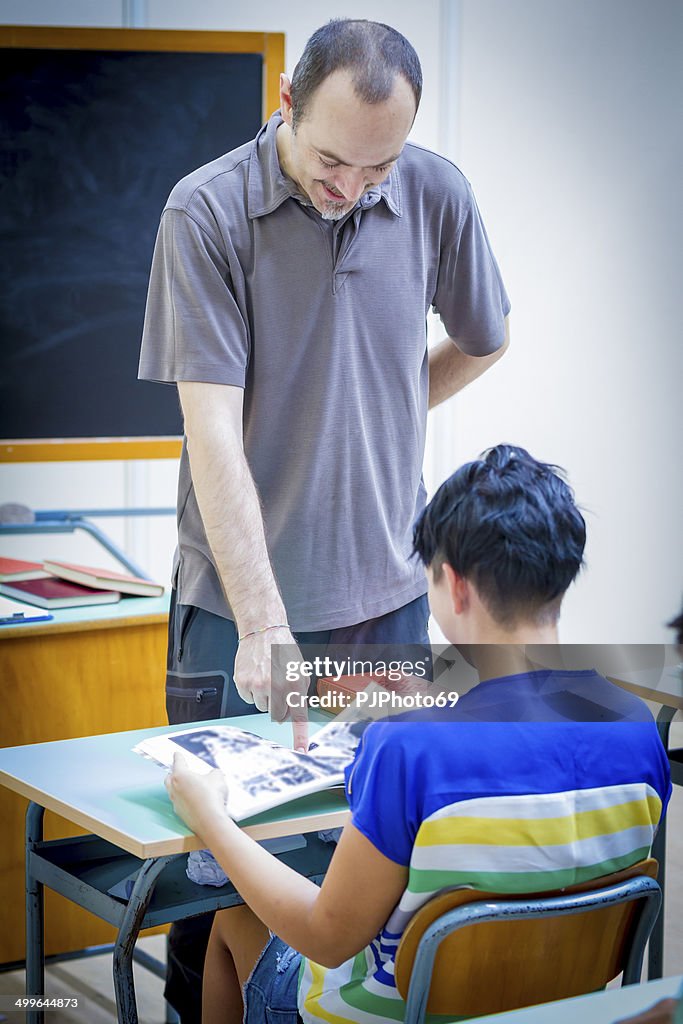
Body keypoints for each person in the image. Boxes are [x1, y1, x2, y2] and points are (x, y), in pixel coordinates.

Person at [139, 19, 509, 1016]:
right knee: (211, 883)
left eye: (377, 165)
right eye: (332, 159)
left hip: (385, 609)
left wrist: (386, 406)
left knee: (368, 870)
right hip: (235, 619)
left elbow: (483, 339)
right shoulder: (207, 211)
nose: (352, 185)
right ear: (286, 108)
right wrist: (262, 622)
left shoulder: (433, 192)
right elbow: (210, 431)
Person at [165, 444, 672, 1024]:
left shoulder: (410, 747)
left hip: (406, 1013)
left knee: (235, 920)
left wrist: (211, 818)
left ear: (453, 585)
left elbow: (328, 938)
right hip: (556, 1006)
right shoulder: (636, 727)